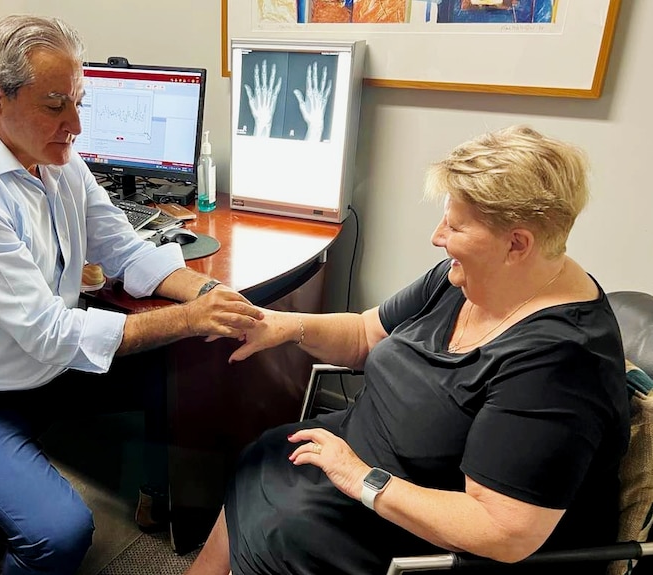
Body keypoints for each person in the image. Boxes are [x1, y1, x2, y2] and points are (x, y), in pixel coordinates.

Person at [0, 14, 263, 575]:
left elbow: (123, 247)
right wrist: (191, 318)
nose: (75, 124)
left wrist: (213, 295)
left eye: (78, 102)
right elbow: (52, 333)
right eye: (55, 104)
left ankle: (162, 500)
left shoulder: (54, 162)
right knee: (60, 534)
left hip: (38, 370)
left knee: (179, 366)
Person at [186, 125, 631, 575]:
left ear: (517, 243)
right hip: (361, 458)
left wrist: (362, 478)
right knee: (265, 455)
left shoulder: (562, 363)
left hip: (426, 528)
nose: (438, 236)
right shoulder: (464, 279)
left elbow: (502, 530)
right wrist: (285, 325)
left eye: (455, 226)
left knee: (286, 531)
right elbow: (365, 333)